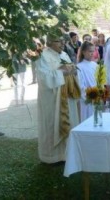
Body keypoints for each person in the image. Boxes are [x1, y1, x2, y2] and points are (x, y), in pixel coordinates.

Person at [36, 28, 80, 164]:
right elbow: (44, 78)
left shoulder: (64, 55)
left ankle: (66, 154)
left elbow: (70, 70)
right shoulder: (43, 57)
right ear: (49, 43)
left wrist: (72, 70)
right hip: (52, 100)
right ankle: (51, 156)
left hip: (67, 97)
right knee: (51, 124)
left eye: (63, 41)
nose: (62, 44)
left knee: (70, 122)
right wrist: (62, 72)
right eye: (58, 41)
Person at [76, 41, 98, 121]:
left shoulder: (95, 65)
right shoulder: (79, 67)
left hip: (97, 97)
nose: (92, 53)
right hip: (86, 100)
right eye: (90, 51)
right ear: (83, 52)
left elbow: (100, 81)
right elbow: (80, 85)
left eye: (93, 51)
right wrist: (88, 97)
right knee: (87, 120)